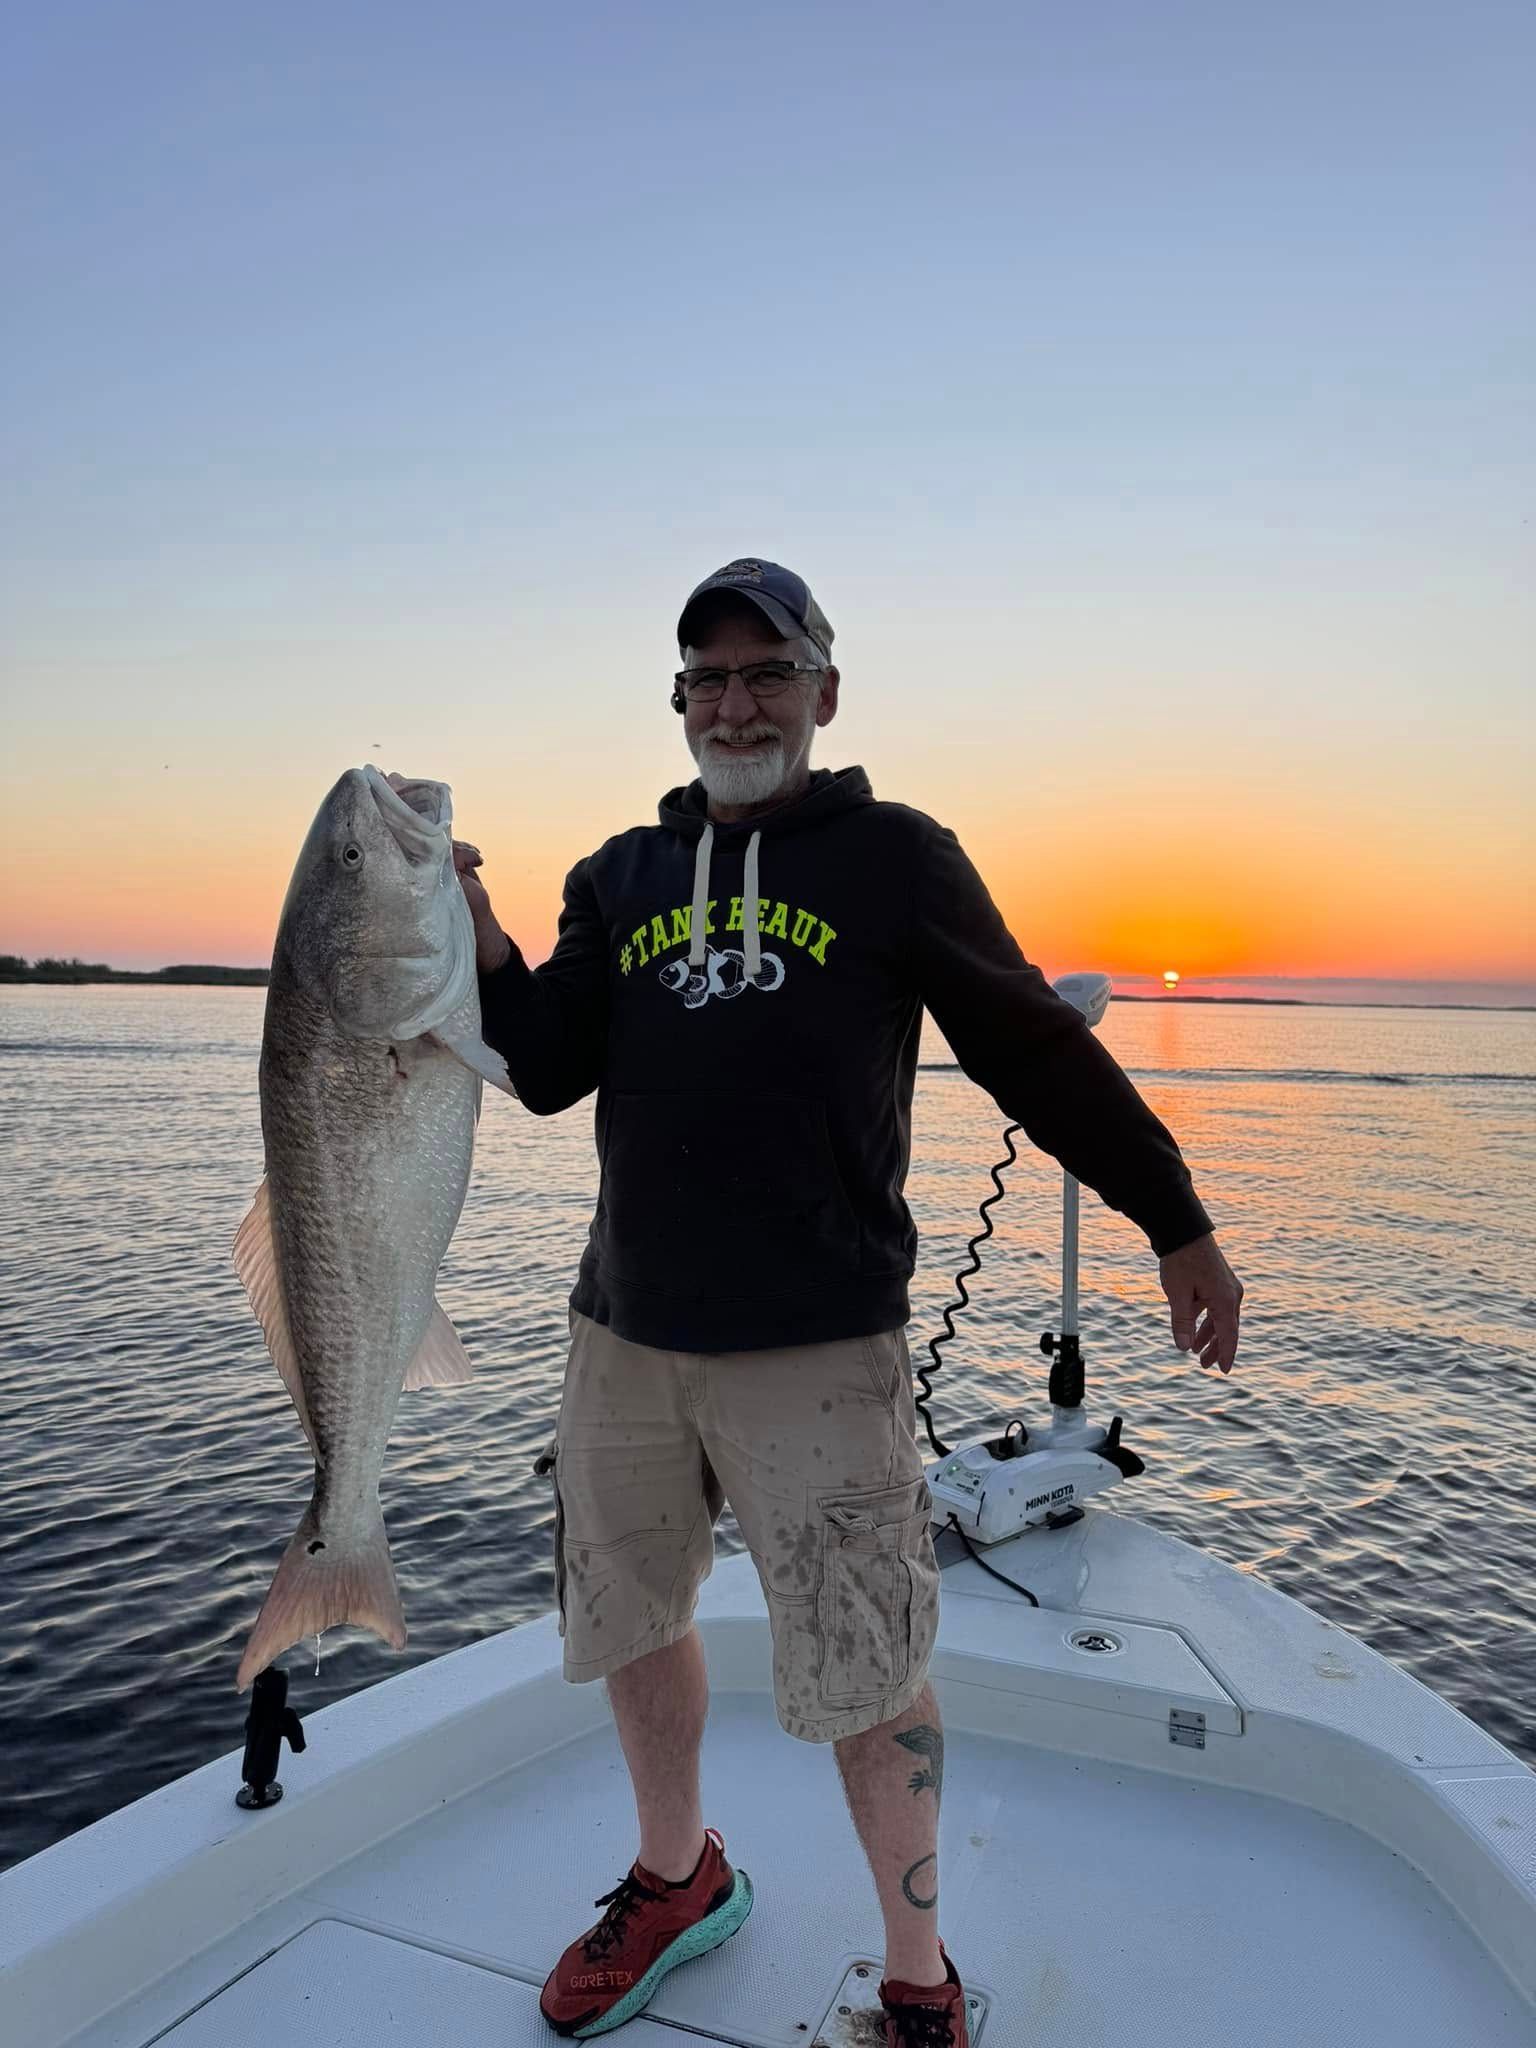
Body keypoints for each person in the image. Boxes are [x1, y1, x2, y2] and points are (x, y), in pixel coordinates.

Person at [456, 558, 1244, 2045]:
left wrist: (1175, 1216)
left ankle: (917, 1975)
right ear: (678, 698)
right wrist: (490, 950)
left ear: (826, 689)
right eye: (710, 676)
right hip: (622, 1333)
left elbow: (1035, 1047)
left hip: (819, 1350)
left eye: (769, 673)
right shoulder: (619, 875)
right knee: (633, 1619)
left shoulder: (893, 856)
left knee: (873, 1668)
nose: (737, 703)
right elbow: (550, 1069)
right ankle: (674, 1880)